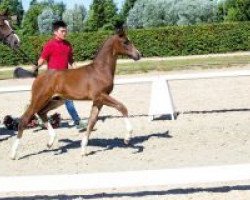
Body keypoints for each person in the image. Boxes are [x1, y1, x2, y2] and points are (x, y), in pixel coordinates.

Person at [33, 20, 87, 130]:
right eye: (62, 31)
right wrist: (36, 66)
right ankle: (40, 120)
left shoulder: (67, 45)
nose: (65, 33)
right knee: (44, 101)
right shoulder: (49, 45)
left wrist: (78, 72)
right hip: (52, 80)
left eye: (65, 31)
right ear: (55, 32)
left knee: (68, 99)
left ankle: (77, 122)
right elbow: (42, 59)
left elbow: (71, 60)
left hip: (65, 79)